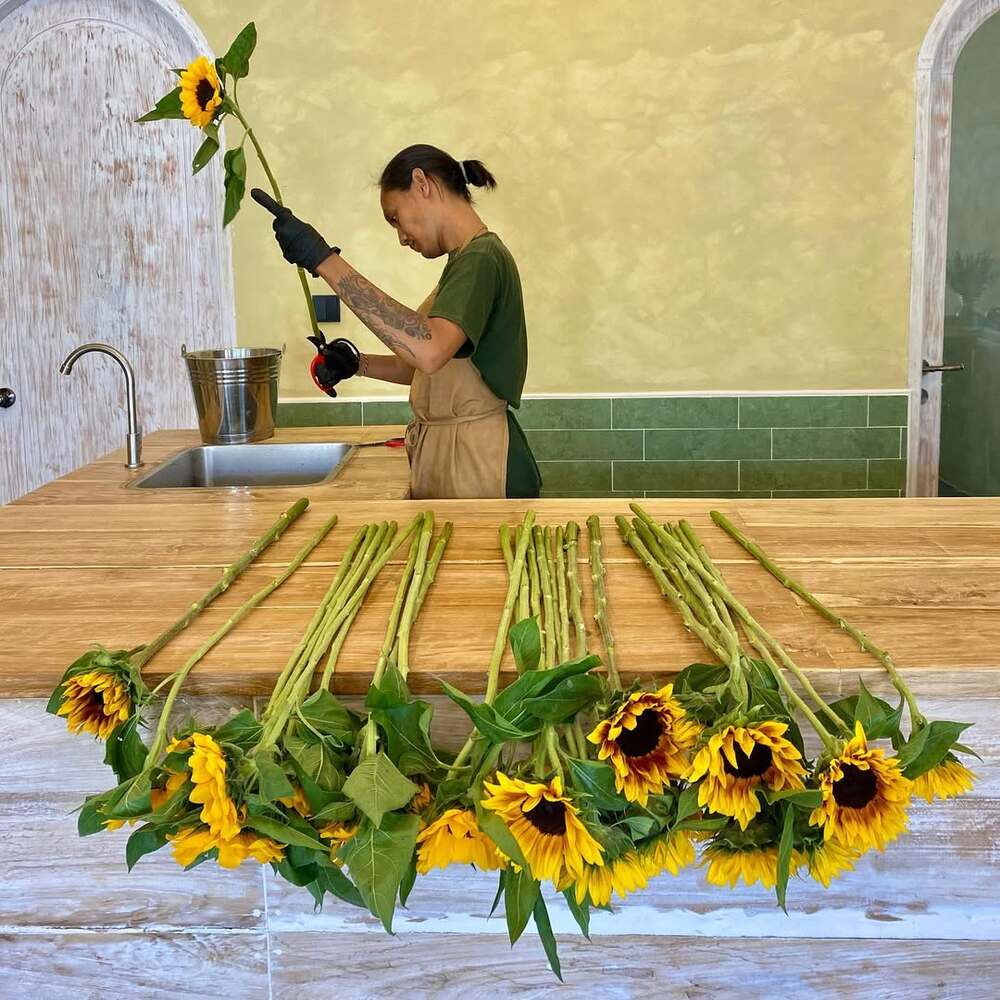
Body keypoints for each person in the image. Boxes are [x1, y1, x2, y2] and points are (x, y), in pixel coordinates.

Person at [251, 144, 541, 500]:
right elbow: (422, 366)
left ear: (422, 184)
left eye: (395, 218)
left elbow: (430, 351)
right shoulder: (462, 262)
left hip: (480, 461)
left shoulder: (481, 258)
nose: (401, 237)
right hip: (457, 451)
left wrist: (323, 260)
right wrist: (358, 364)